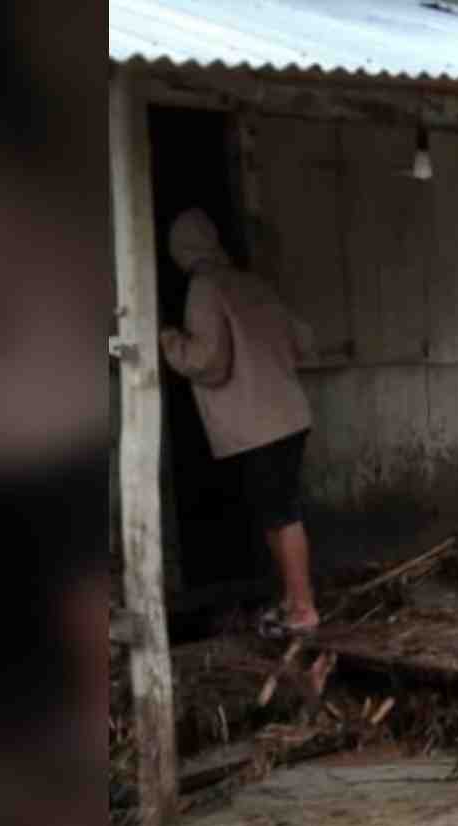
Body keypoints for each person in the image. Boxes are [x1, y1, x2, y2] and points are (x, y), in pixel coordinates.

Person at [159, 208, 320, 634]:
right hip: (290, 414)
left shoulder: (204, 286)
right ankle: (291, 601)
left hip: (259, 423)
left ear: (180, 249)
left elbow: (208, 360)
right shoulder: (252, 281)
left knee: (281, 515)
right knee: (278, 512)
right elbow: (302, 338)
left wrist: (168, 341)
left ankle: (302, 609)